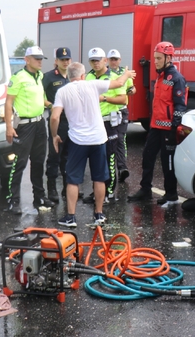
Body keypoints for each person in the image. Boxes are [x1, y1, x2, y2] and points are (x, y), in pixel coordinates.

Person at [50, 62, 135, 228]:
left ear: (68, 76)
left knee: (73, 180)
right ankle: (99, 214)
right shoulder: (93, 84)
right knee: (99, 178)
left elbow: (54, 117)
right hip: (98, 139)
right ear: (83, 75)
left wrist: (54, 136)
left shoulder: (63, 91)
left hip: (78, 141)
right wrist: (127, 74)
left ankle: (71, 217)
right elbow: (118, 83)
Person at [128, 42, 187, 206]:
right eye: (155, 58)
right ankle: (145, 189)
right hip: (156, 127)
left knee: (167, 161)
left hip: (168, 129)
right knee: (147, 156)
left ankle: (171, 194)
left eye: (159, 58)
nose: (156, 61)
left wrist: (174, 127)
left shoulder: (177, 78)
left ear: (169, 58)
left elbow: (180, 105)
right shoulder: (160, 76)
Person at [3, 46, 55, 215]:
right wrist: (9, 127)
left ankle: (39, 197)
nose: (40, 61)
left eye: (41, 58)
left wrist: (51, 105)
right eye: (36, 58)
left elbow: (41, 98)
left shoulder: (39, 75)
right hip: (24, 126)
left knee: (38, 162)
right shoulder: (18, 77)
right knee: (19, 163)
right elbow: (9, 102)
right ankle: (13, 199)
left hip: (39, 122)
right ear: (27, 59)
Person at [83, 48, 128, 204]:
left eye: (98, 60)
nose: (96, 63)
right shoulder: (87, 77)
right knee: (95, 158)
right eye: (93, 60)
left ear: (105, 60)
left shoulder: (114, 77)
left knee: (110, 157)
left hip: (109, 122)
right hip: (93, 122)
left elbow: (124, 99)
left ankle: (109, 192)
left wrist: (105, 98)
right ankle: (97, 192)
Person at [42, 47, 73, 203]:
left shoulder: (73, 77)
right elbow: (39, 97)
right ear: (56, 61)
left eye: (67, 59)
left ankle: (68, 188)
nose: (65, 62)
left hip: (72, 122)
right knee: (55, 154)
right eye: (62, 59)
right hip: (57, 120)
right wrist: (50, 106)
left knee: (68, 156)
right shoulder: (48, 77)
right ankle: (52, 188)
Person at [107, 49, 135, 182]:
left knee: (121, 139)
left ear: (120, 60)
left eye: (115, 59)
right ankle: (109, 170)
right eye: (111, 59)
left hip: (122, 110)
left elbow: (131, 88)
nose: (113, 61)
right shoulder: (105, 73)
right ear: (107, 60)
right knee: (110, 140)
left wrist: (132, 90)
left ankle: (122, 168)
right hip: (109, 110)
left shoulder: (125, 72)